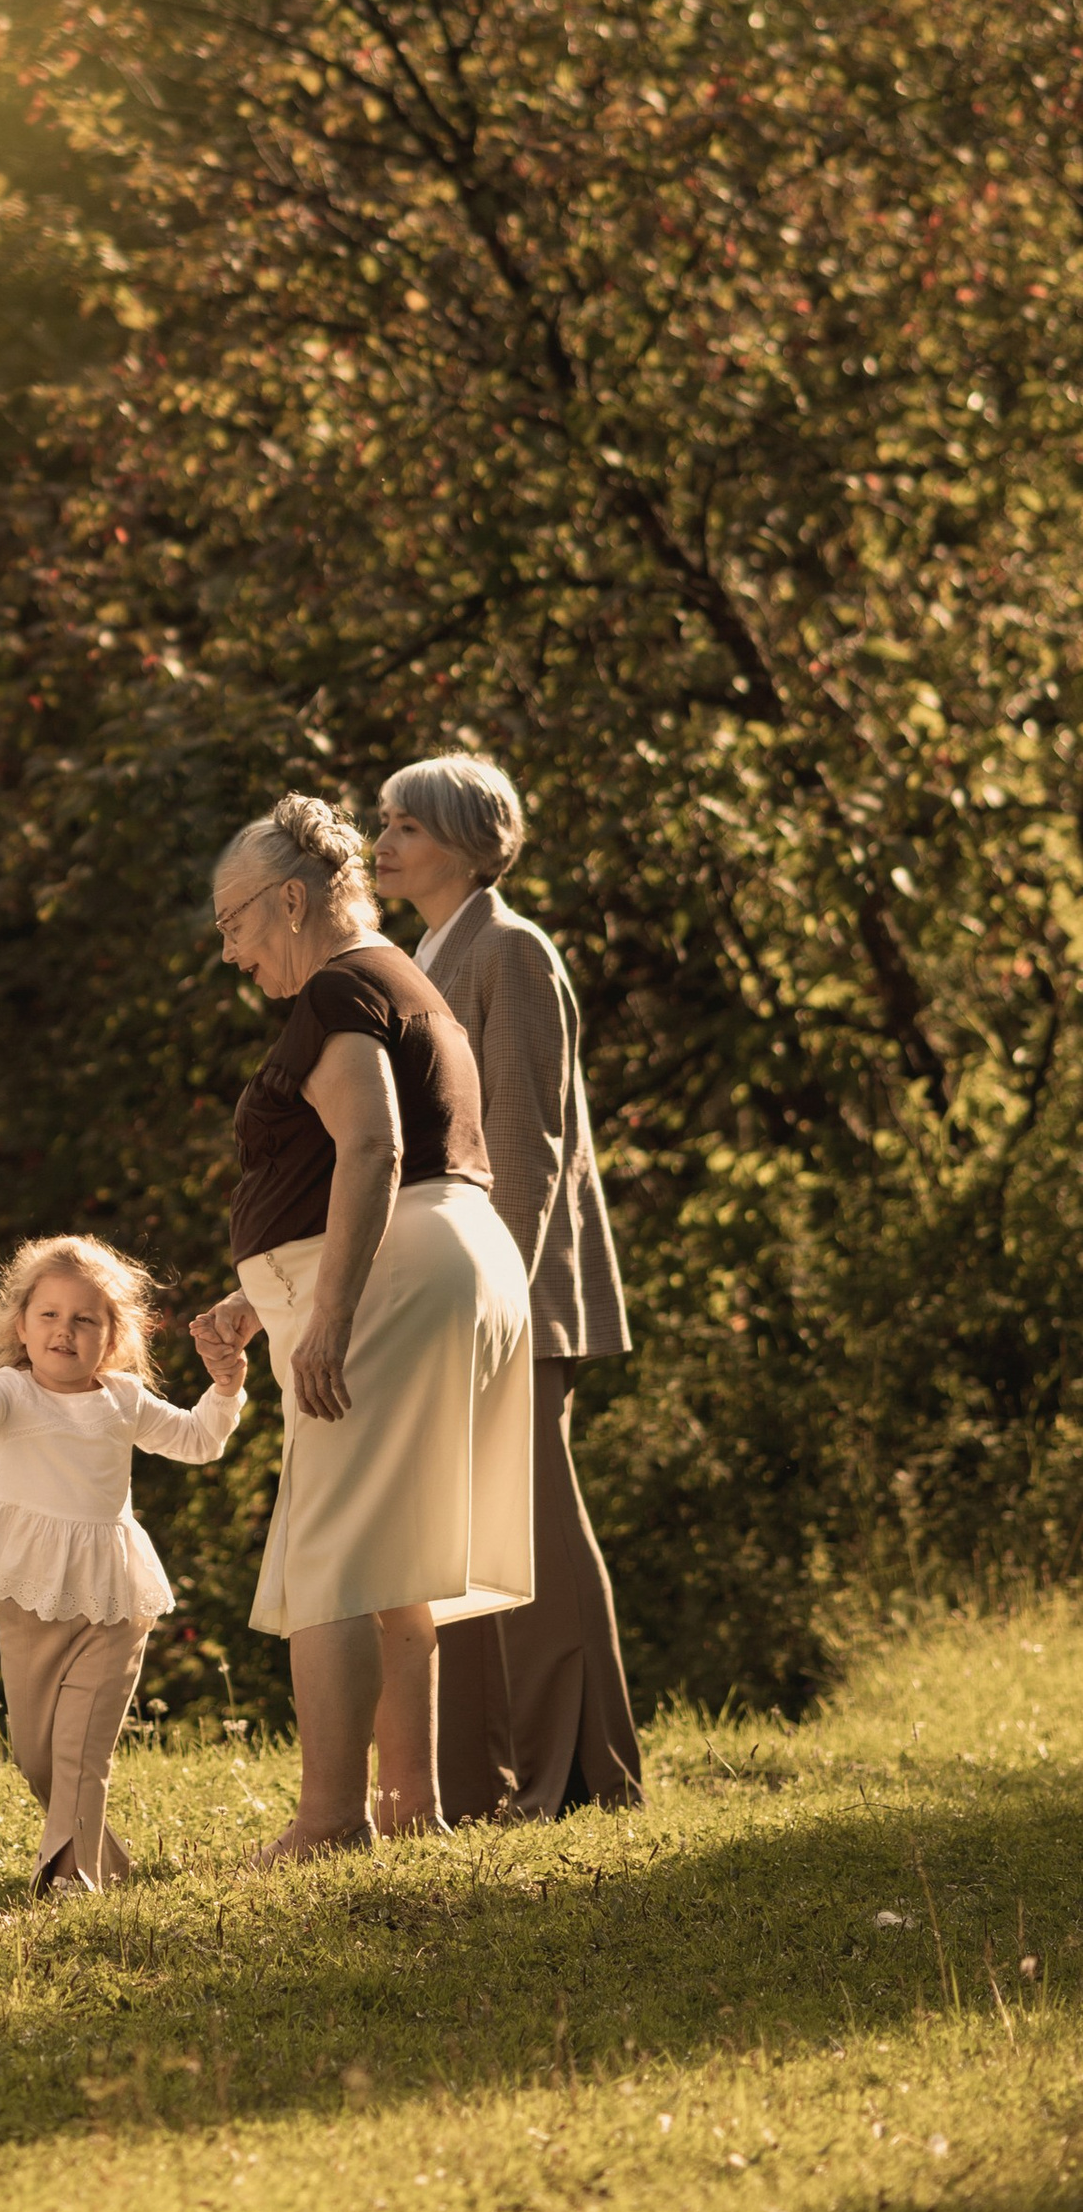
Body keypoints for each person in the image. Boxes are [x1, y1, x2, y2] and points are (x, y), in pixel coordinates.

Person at [189, 792, 532, 1856]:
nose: (230, 950)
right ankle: (406, 1806)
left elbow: (375, 1149)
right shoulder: (395, 977)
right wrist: (269, 1294)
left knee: (330, 1557)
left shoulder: (340, 986)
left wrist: (326, 1312)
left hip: (393, 1276)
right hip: (451, 1256)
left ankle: (330, 1821)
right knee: (388, 1559)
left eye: (234, 922)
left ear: (290, 902)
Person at [373, 751, 644, 1818]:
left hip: (514, 1295)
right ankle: (479, 1781)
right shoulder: (417, 955)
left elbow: (526, 1147)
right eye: (385, 822)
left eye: (407, 826)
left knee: (530, 1532)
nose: (384, 841)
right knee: (460, 1537)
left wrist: (494, 1299)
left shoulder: (512, 950)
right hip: (453, 1292)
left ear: (466, 844)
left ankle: (580, 1779)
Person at [0, 1234, 249, 1895]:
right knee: (36, 1755)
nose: (63, 1331)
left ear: (114, 1336)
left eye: (84, 1320)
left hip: (113, 1597)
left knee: (81, 1751)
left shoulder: (123, 1399)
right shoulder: (12, 1391)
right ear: (21, 1325)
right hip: (31, 1593)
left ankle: (72, 1878)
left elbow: (197, 1440)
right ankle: (106, 1861)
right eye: (48, 1315)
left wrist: (226, 1388)